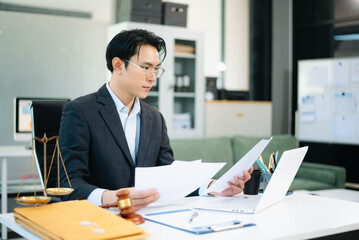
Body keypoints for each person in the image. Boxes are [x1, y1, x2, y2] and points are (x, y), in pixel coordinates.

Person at [59, 29, 253, 212]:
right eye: (145, 68)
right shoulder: (81, 111)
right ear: (118, 65)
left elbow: (168, 175)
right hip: (100, 219)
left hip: (149, 218)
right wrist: (110, 197)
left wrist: (215, 186)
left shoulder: (154, 118)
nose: (152, 78)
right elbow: (69, 183)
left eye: (156, 70)